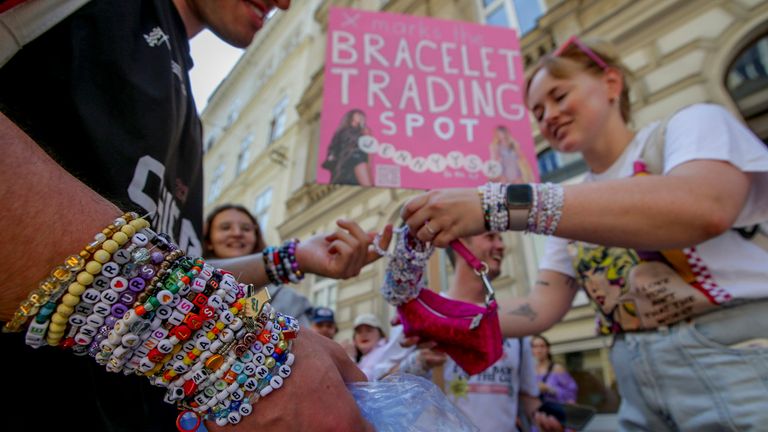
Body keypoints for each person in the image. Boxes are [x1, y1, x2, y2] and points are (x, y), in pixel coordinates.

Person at [0, 0, 392, 430]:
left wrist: (291, 258)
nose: (285, 3)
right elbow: (156, 286)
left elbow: (171, 268)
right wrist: (221, 345)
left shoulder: (189, 110)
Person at [399, 36, 768, 430]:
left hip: (736, 358)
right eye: (538, 111)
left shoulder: (690, 126)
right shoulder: (573, 208)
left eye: (559, 96)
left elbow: (704, 207)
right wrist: (441, 320)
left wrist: (497, 205)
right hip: (635, 378)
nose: (549, 116)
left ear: (611, 83)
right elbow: (540, 308)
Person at [390, 233, 560, 432]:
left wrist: (540, 418)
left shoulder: (515, 322)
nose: (501, 245)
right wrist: (416, 363)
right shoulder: (425, 314)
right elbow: (378, 386)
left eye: (501, 239)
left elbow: (527, 396)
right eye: (490, 237)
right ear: (461, 243)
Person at [203, 204, 314, 326]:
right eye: (225, 228)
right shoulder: (190, 282)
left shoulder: (287, 298)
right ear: (208, 241)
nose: (237, 233)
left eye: (246, 229)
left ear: (256, 238)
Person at [322, 108, 373, 186]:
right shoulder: (342, 131)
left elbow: (369, 149)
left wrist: (368, 135)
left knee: (360, 157)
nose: (360, 117)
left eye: (361, 116)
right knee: (357, 156)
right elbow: (333, 148)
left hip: (360, 157)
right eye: (358, 115)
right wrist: (331, 157)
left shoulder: (363, 131)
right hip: (347, 157)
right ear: (351, 116)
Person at [531, 335, 577, 405]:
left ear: (548, 349)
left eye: (542, 346)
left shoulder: (557, 369)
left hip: (555, 411)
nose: (539, 350)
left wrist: (548, 389)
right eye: (535, 346)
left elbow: (570, 393)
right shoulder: (529, 371)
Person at [346, 313, 390, 380]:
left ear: (380, 334)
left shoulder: (383, 351)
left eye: (369, 330)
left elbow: (361, 380)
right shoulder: (366, 356)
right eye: (359, 332)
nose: (364, 335)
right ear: (354, 339)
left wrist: (349, 358)